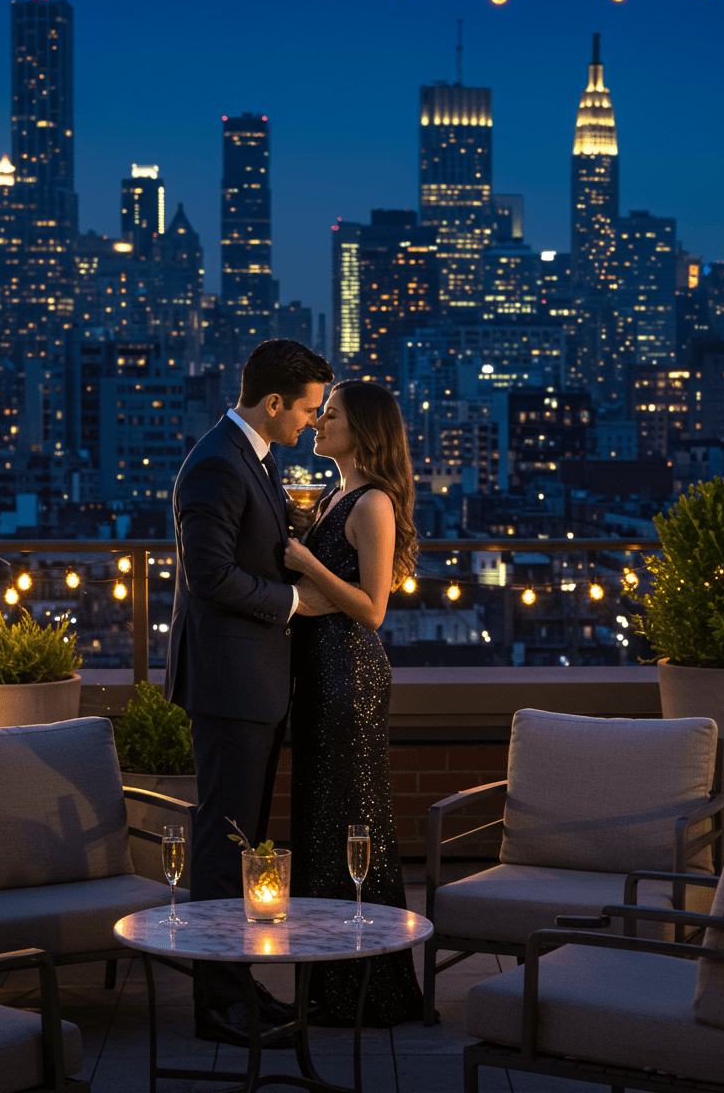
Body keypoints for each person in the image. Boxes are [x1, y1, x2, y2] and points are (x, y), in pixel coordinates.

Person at [165, 338, 335, 1048]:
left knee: (243, 847)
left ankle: (236, 983)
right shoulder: (214, 465)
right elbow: (209, 577)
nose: (310, 425)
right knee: (221, 846)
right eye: (305, 411)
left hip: (254, 687)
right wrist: (292, 602)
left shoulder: (254, 459)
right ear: (272, 403)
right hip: (231, 685)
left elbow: (242, 551)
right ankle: (217, 1005)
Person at [284, 380, 424, 1026]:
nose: (317, 422)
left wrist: (304, 562)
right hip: (320, 676)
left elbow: (372, 609)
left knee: (348, 822)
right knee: (321, 825)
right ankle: (328, 986)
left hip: (348, 679)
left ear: (362, 429)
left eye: (330, 415)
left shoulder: (372, 504)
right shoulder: (336, 494)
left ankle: (365, 991)